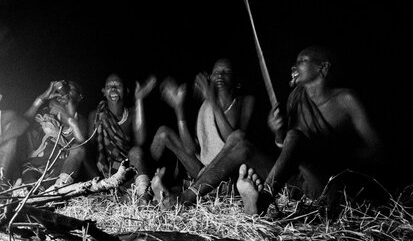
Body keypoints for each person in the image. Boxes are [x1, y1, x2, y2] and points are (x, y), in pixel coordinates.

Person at [152, 46, 383, 215]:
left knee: (295, 136)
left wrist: (327, 152)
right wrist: (278, 134)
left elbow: (377, 151)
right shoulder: (295, 99)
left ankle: (262, 200)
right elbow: (288, 150)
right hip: (297, 184)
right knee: (239, 140)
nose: (295, 65)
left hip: (328, 184)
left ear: (323, 68)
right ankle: (184, 199)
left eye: (303, 60)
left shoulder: (345, 99)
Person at [150, 58, 255, 184]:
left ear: (237, 82)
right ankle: (143, 184)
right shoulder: (205, 106)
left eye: (226, 72)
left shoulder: (245, 101)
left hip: (227, 173)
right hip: (203, 171)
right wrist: (179, 109)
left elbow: (235, 142)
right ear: (210, 78)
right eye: (215, 72)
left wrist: (212, 100)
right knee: (163, 133)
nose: (220, 75)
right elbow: (191, 149)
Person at [87, 73, 157, 199]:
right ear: (104, 91)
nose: (113, 89)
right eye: (109, 86)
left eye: (118, 85)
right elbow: (91, 149)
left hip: (130, 171)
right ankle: (105, 192)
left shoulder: (132, 113)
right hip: (106, 176)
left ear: (126, 91)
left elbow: (140, 142)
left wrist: (139, 100)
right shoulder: (96, 115)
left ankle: (144, 196)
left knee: (136, 151)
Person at [19, 80, 87, 190]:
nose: (65, 92)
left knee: (78, 149)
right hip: (36, 167)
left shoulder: (81, 121)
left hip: (59, 170)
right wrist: (41, 98)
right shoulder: (47, 113)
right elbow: (22, 123)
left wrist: (67, 123)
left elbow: (81, 147)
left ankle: (60, 188)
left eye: (71, 89)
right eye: (65, 89)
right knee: (30, 184)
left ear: (80, 97)